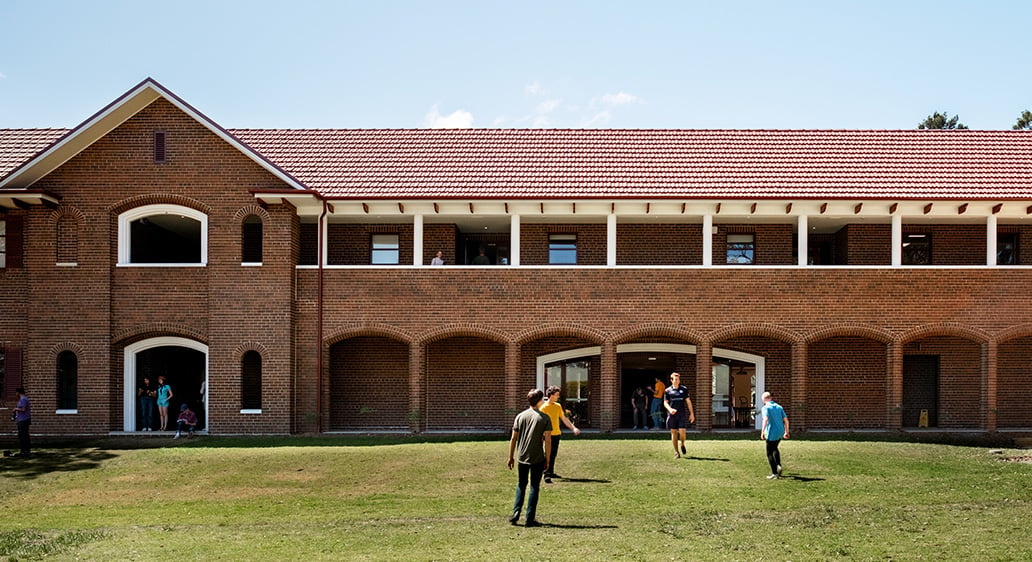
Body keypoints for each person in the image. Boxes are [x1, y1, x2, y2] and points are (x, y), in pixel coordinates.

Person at [507, 388, 552, 527]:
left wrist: (511, 457)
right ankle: (529, 518)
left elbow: (514, 438)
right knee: (534, 486)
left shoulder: (520, 416)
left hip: (521, 456)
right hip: (537, 457)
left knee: (521, 484)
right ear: (540, 401)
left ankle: (516, 512)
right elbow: (548, 440)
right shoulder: (544, 418)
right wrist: (548, 458)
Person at [539, 386, 580, 483]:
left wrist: (573, 428)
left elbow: (564, 419)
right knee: (547, 454)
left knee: (553, 454)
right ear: (551, 395)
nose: (558, 397)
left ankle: (550, 471)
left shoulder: (558, 406)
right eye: (556, 395)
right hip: (547, 435)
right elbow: (540, 422)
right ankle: (546, 474)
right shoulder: (543, 408)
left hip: (556, 433)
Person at [663, 372, 695, 459]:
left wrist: (692, 413)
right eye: (675, 379)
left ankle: (682, 444)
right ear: (671, 380)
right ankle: (677, 452)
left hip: (681, 414)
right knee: (673, 433)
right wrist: (670, 409)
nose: (677, 381)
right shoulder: (667, 391)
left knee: (682, 432)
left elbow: (688, 402)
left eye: (678, 379)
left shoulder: (684, 389)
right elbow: (665, 403)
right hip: (672, 415)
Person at [761, 391, 789, 479]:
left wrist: (762, 431)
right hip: (780, 432)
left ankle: (774, 472)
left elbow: (765, 419)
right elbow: (786, 420)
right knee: (775, 448)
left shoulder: (766, 408)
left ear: (765, 399)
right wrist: (786, 431)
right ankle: (779, 465)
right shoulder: (779, 407)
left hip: (771, 432)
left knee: (769, 453)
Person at [13, 387, 31, 458]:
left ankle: (24, 450)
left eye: (16, 392)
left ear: (18, 392)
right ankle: (25, 450)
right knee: (24, 435)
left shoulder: (23, 399)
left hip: (23, 420)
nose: (15, 394)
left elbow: (23, 409)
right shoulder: (23, 399)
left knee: (23, 436)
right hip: (22, 419)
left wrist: (15, 409)